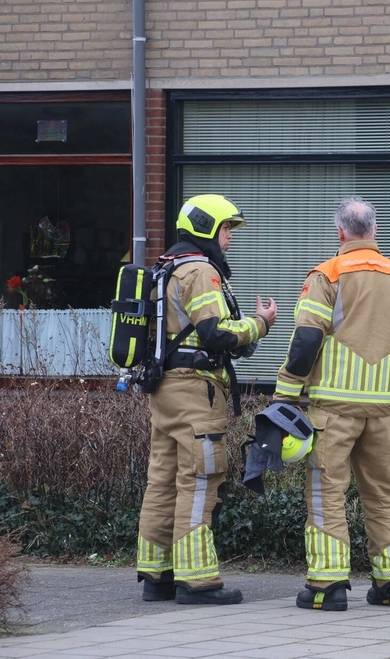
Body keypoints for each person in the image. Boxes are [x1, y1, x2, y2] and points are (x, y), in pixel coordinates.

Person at [274, 196, 390, 612]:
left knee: (326, 493)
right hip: (385, 412)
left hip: (333, 410)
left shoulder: (326, 275)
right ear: (374, 231)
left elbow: (306, 341)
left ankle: (327, 587)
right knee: (385, 493)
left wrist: (285, 395)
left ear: (340, 232)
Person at [135, 194, 278, 605]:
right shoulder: (200, 271)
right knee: (200, 479)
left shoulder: (166, 267)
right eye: (226, 229)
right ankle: (197, 581)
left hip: (164, 392)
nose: (230, 238)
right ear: (207, 229)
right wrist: (260, 324)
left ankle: (157, 575)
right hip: (196, 392)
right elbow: (216, 334)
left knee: (161, 481)